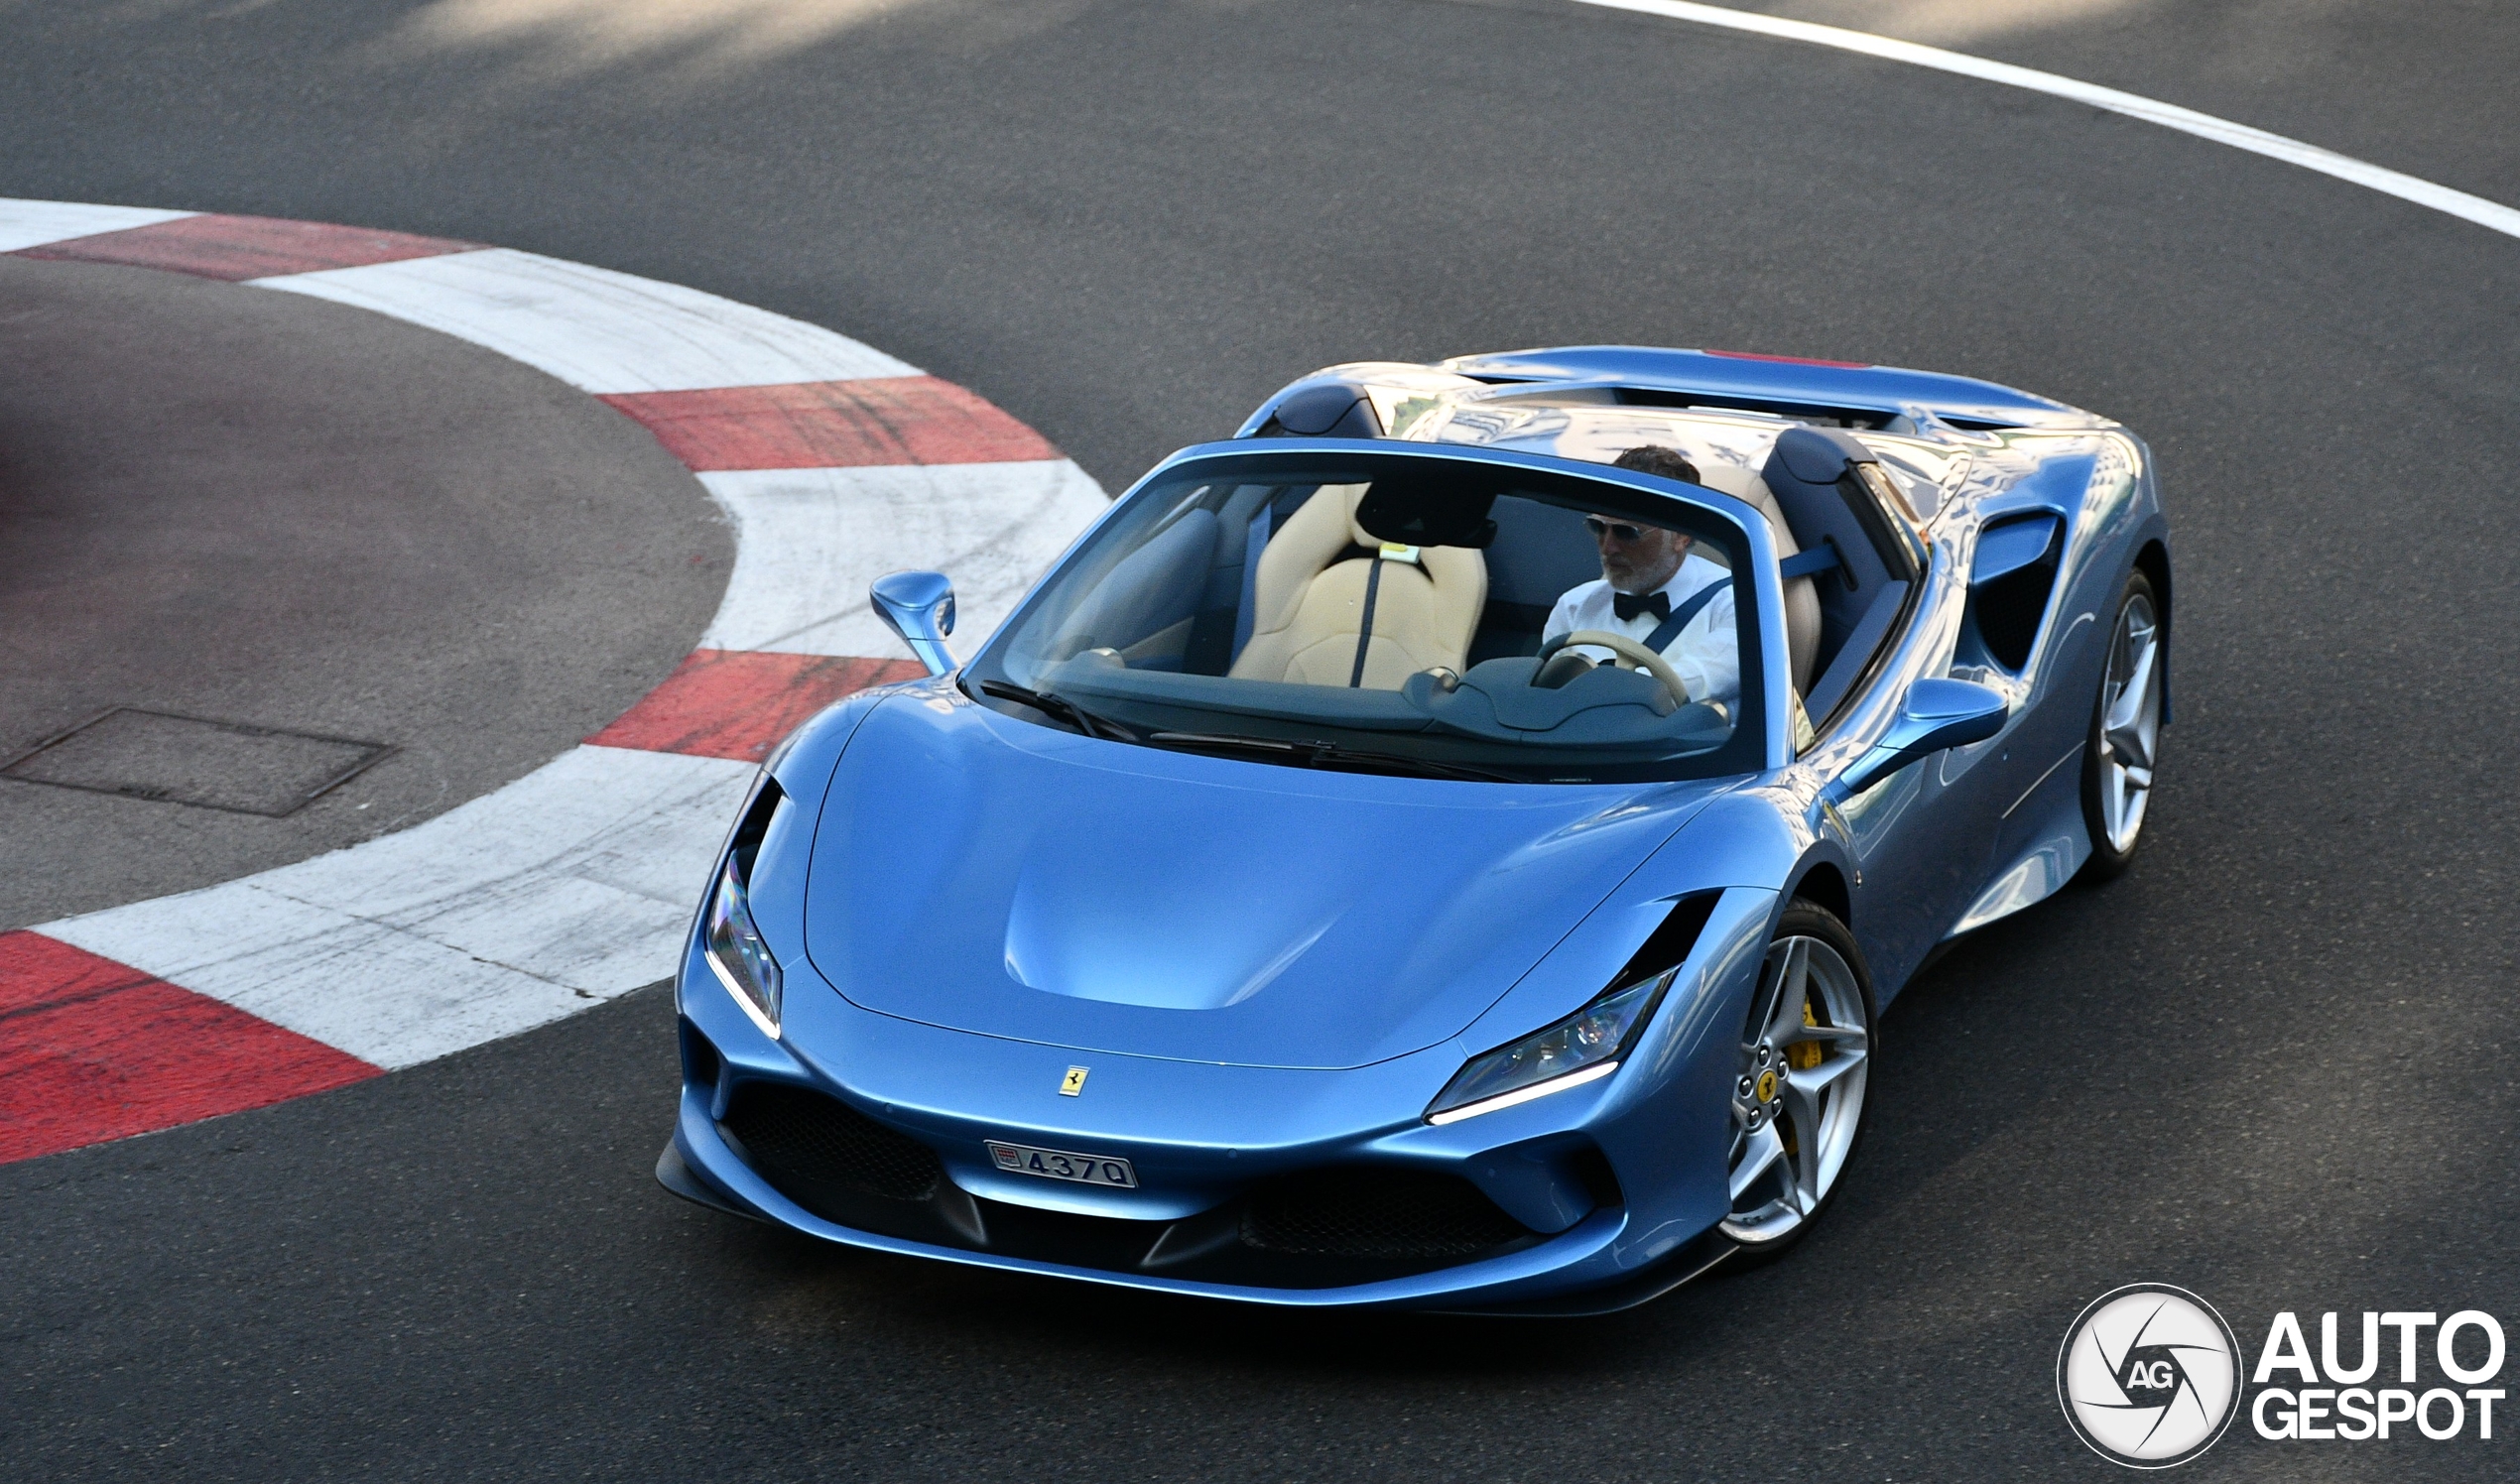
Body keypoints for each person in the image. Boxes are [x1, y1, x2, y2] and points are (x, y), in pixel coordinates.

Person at [1541, 445, 1740, 702]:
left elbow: (1689, 685)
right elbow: (1543, 698)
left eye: (1627, 532)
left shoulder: (1735, 606)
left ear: (1681, 535)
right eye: (1598, 527)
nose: (1608, 547)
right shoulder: (1574, 605)